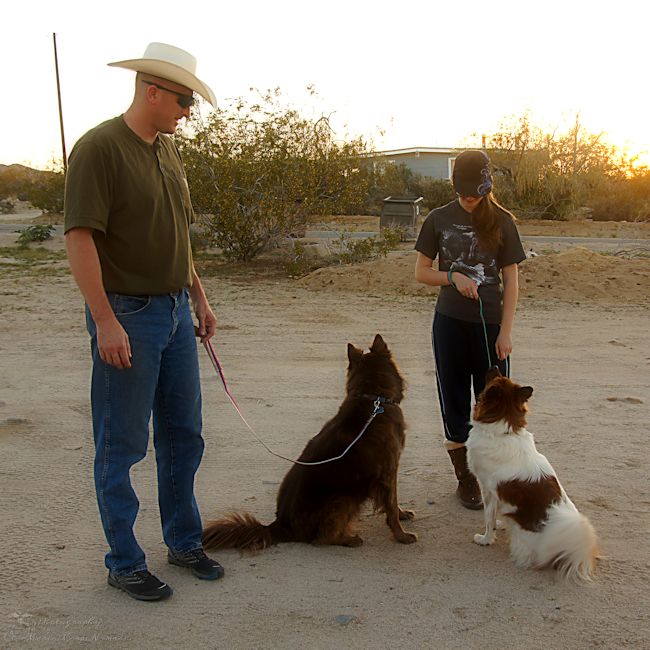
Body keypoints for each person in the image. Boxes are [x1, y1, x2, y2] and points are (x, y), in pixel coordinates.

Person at [64, 42, 223, 602]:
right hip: (127, 314)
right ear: (151, 90)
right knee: (122, 444)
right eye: (183, 100)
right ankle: (124, 561)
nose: (188, 111)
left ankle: (182, 540)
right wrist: (105, 320)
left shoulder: (167, 151)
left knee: (184, 435)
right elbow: (80, 237)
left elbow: (177, 237)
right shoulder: (100, 148)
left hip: (177, 312)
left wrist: (198, 298)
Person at [414, 150, 526, 509]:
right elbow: (421, 272)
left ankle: (499, 477)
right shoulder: (438, 219)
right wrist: (452, 276)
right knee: (454, 401)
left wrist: (505, 332)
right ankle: (467, 480)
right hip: (449, 324)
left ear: (487, 185)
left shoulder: (504, 222)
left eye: (474, 191)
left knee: (498, 402)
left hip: (490, 324)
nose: (468, 198)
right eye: (462, 191)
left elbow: (511, 281)